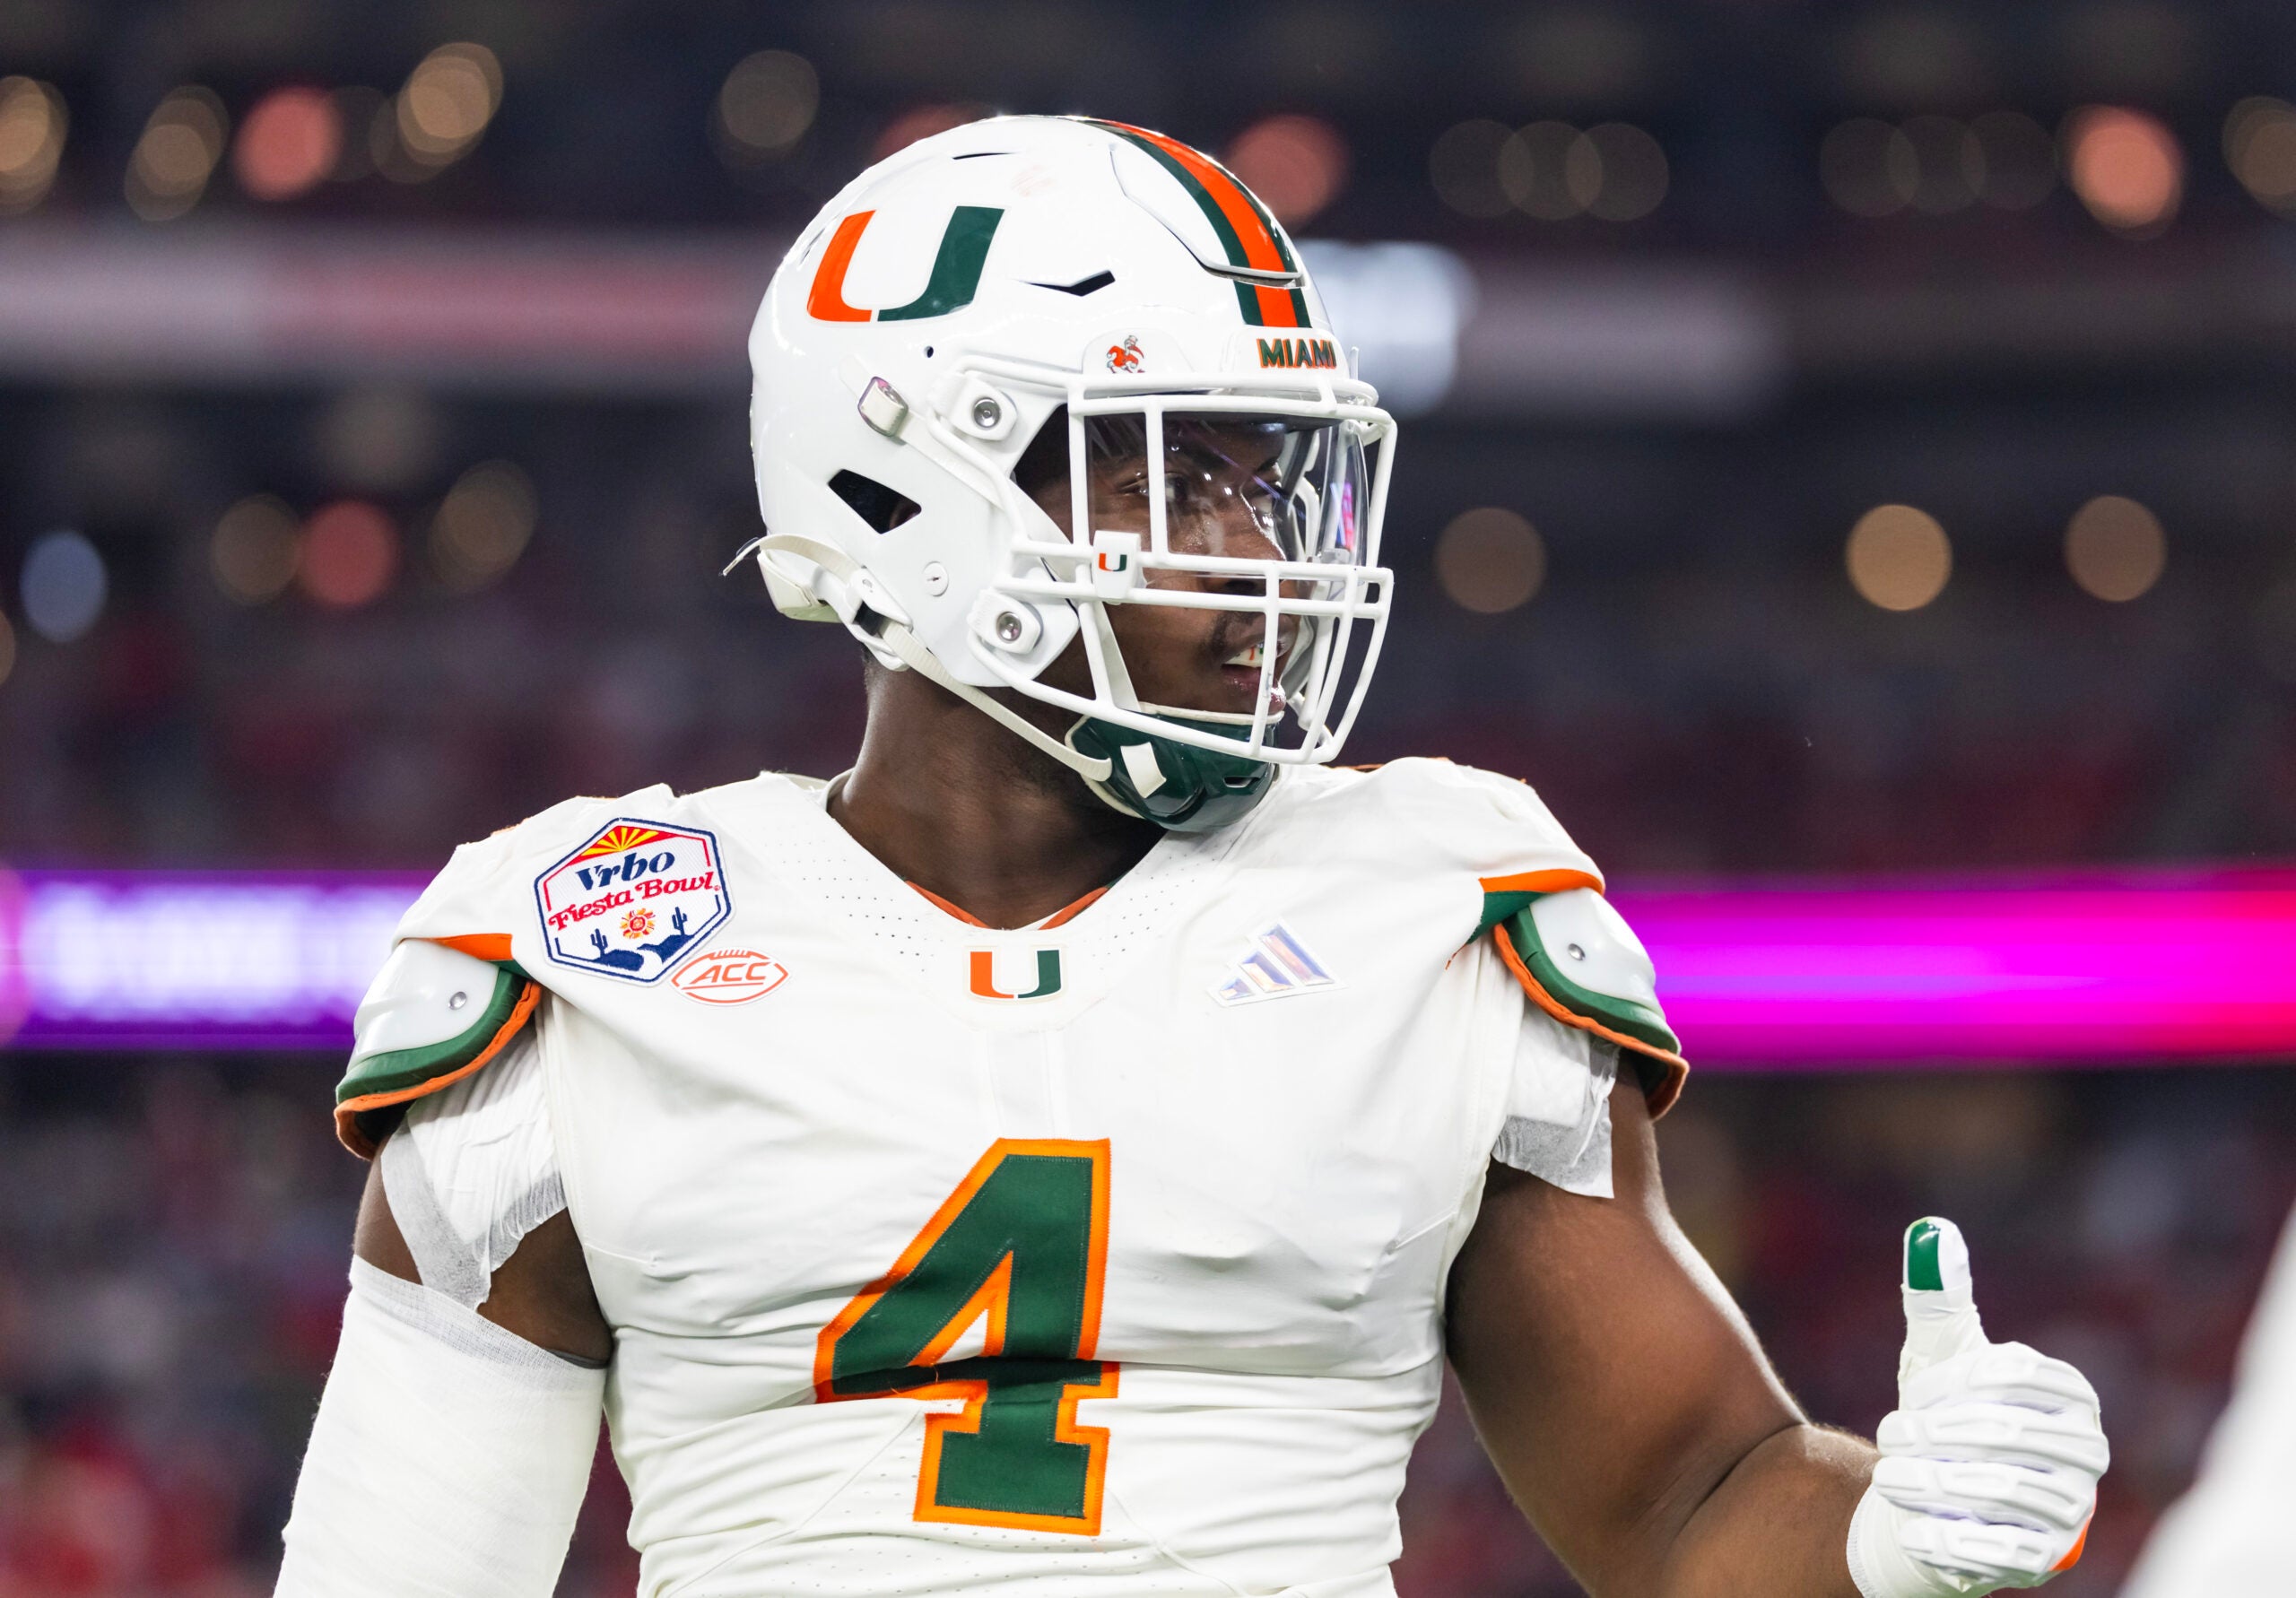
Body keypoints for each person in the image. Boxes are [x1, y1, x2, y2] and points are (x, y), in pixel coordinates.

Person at [274, 117, 2107, 1598]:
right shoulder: (596, 954)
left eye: (1266, 479)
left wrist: (1880, 1530)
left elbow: (1691, 1499)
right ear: (915, 493)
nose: (1256, 555)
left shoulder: (1423, 909)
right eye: (1178, 477)